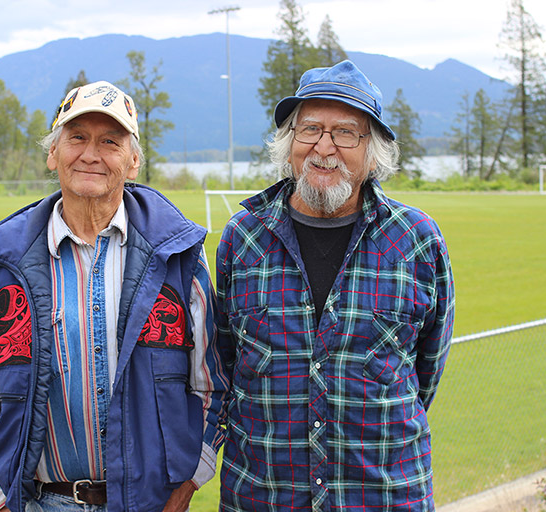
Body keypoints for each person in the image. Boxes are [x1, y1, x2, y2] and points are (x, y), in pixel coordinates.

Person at [0, 80, 228, 512]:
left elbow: (213, 384)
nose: (91, 154)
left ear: (133, 161)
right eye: (76, 137)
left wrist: (188, 483)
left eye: (110, 142)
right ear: (53, 153)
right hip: (41, 502)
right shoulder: (1, 263)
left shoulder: (178, 256)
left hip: (152, 503)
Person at [215, 60, 455, 511]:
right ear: (289, 145)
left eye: (346, 132)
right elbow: (225, 364)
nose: (324, 147)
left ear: (374, 151)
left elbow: (425, 375)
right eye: (309, 130)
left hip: (383, 497)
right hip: (264, 497)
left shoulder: (417, 240)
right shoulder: (243, 237)